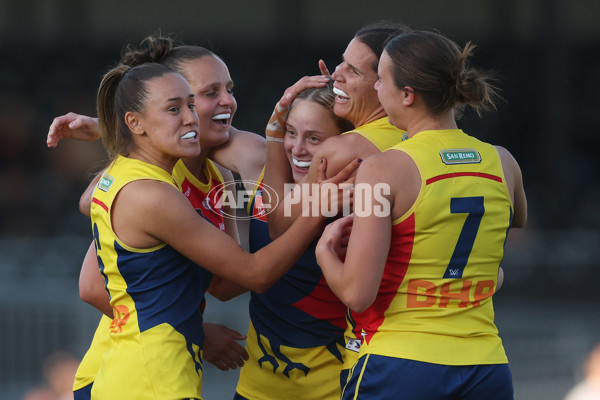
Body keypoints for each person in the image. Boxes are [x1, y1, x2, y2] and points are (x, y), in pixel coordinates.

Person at [83, 61, 355, 399]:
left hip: (130, 372)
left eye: (191, 105)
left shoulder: (125, 176)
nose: (190, 118)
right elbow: (255, 274)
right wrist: (315, 212)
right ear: (134, 122)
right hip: (153, 379)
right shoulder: (153, 195)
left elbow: (225, 285)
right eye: (174, 108)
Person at [315, 29, 527, 400]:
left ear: (408, 95)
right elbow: (514, 223)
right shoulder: (503, 161)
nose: (377, 89)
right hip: (487, 366)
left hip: (400, 364)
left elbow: (356, 293)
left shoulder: (385, 169)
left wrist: (324, 250)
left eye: (381, 80)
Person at [234, 83, 354, 400]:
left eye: (314, 138)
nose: (297, 149)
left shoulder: (362, 199)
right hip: (257, 387)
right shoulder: (255, 165)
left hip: (335, 386)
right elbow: (186, 138)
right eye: (290, 132)